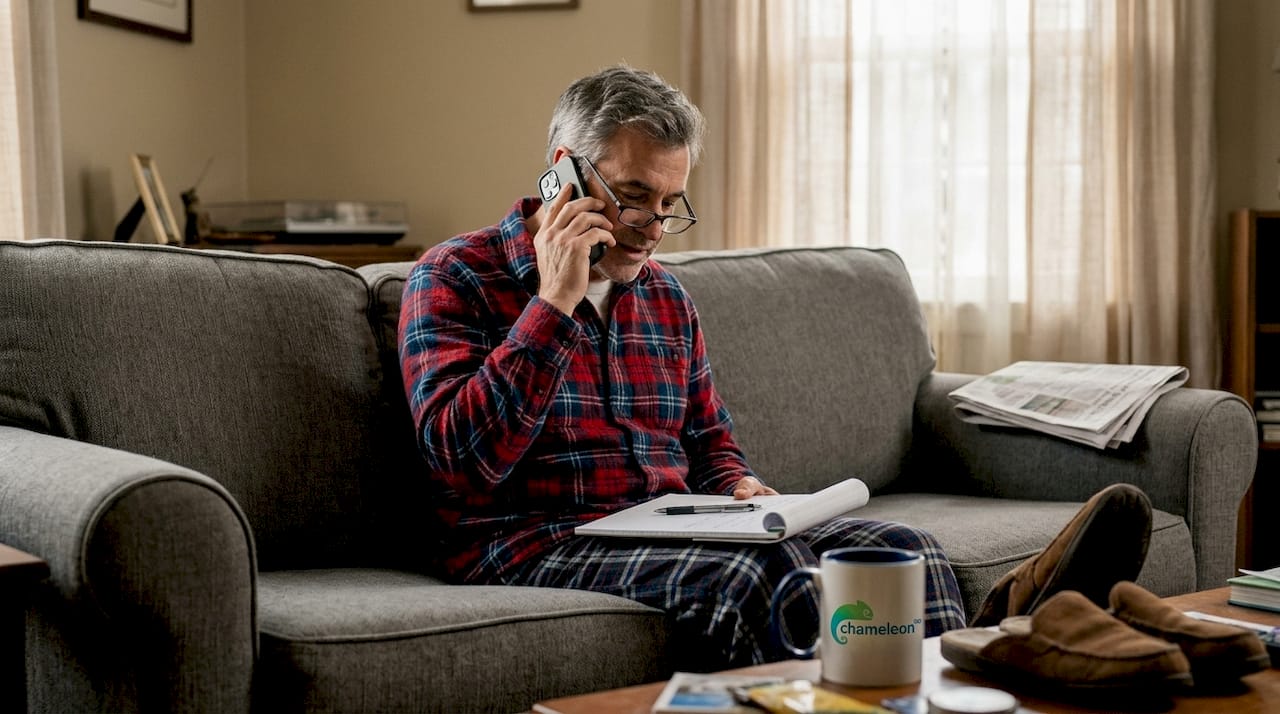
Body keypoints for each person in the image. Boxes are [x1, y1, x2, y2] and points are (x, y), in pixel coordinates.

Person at [397, 65, 1148, 670]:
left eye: (669, 203)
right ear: (564, 172)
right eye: (632, 199)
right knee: (765, 575)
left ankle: (983, 661)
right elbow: (461, 465)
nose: (654, 229)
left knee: (900, 551)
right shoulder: (455, 276)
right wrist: (553, 303)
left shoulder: (663, 297)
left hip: (672, 528)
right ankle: (1003, 644)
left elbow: (709, 441)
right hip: (534, 539)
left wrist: (738, 488)